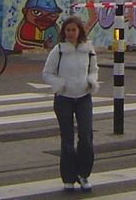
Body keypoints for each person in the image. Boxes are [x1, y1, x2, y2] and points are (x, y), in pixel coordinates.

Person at [42, 16, 99, 192]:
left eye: (74, 30)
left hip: (83, 97)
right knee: (67, 139)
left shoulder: (88, 49)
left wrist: (91, 81)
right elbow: (47, 73)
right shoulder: (58, 51)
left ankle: (83, 174)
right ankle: (68, 177)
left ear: (80, 31)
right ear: (64, 32)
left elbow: (94, 69)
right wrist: (59, 85)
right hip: (64, 99)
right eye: (68, 30)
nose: (71, 33)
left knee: (86, 136)